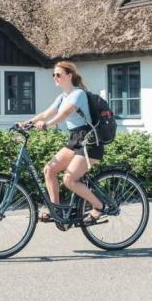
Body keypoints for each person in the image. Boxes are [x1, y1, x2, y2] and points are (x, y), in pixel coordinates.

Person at [21, 61, 107, 224]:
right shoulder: (62, 97)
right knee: (49, 169)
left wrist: (47, 124)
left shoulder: (78, 94)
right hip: (75, 139)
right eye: (53, 74)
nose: (55, 77)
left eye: (58, 74)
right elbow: (46, 113)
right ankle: (57, 210)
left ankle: (99, 206)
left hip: (90, 141)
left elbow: (66, 113)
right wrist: (27, 123)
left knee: (69, 179)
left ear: (69, 76)